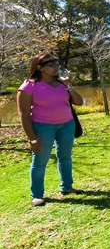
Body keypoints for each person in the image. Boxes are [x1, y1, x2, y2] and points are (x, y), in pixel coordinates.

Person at [16, 53, 84, 206]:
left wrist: (69, 84)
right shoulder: (28, 86)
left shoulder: (62, 83)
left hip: (67, 125)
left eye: (57, 64)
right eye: (51, 65)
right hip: (43, 127)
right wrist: (32, 139)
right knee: (40, 161)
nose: (56, 68)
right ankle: (37, 195)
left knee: (65, 157)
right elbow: (24, 115)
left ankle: (67, 187)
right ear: (40, 68)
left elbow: (79, 102)